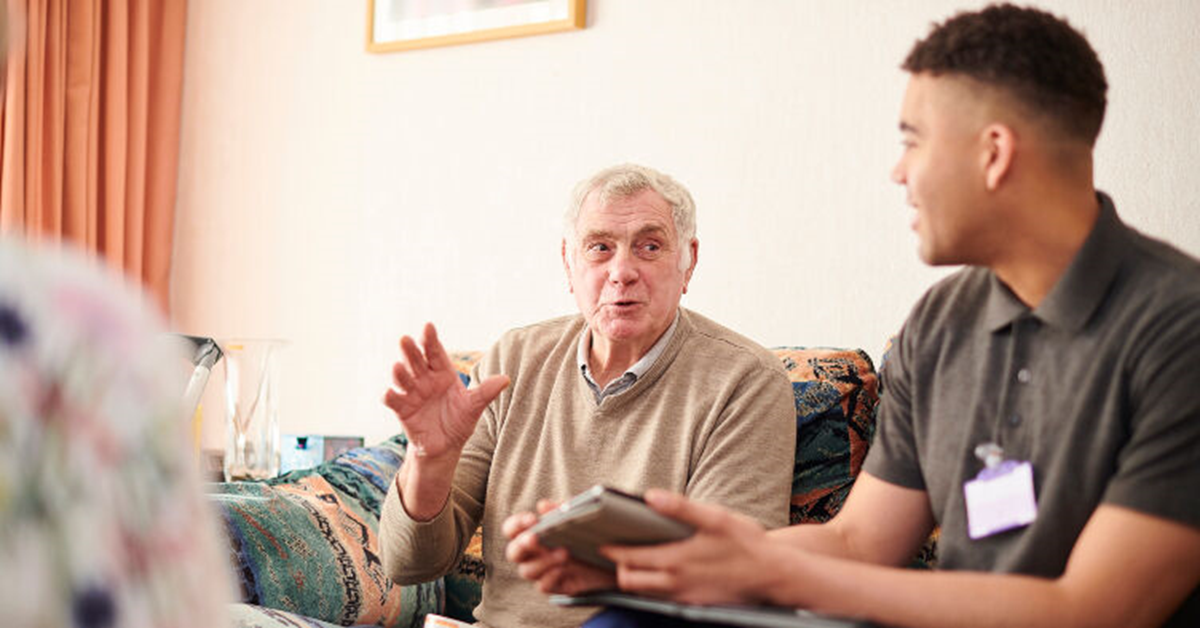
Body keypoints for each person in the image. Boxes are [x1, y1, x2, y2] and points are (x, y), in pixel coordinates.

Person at [507, 5, 1200, 628]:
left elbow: (1091, 610)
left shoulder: (1177, 328)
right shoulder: (943, 323)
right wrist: (652, 571)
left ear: (993, 154)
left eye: (913, 140)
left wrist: (768, 568)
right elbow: (859, 542)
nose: (898, 172)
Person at [378, 163, 797, 628]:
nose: (622, 272)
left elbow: (729, 582)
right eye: (600, 248)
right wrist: (428, 460)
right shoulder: (512, 360)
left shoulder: (747, 381)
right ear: (568, 263)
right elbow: (408, 565)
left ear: (688, 262)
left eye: (649, 247)